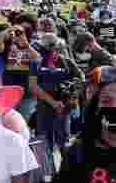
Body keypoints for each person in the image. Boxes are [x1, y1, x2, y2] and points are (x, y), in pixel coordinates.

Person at [31, 33, 81, 163]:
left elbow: (79, 78)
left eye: (54, 48)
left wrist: (72, 97)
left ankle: (68, 171)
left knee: (64, 142)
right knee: (44, 143)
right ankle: (47, 176)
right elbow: (33, 86)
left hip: (63, 109)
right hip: (45, 108)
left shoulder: (67, 62)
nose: (52, 51)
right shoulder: (36, 63)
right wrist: (53, 102)